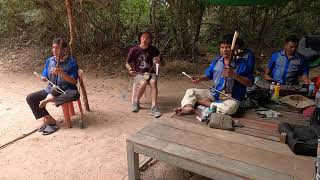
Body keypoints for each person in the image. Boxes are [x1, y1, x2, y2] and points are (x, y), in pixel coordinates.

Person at [174, 34, 253, 116]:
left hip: (231, 97)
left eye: (228, 47)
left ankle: (207, 103)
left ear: (235, 48)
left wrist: (234, 75)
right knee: (191, 91)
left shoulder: (243, 64)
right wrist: (199, 78)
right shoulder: (217, 61)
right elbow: (209, 75)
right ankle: (188, 107)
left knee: (230, 108)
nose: (224, 50)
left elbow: (249, 83)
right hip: (214, 93)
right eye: (222, 47)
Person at [26, 37, 80, 135]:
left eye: (57, 48)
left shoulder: (71, 62)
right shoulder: (50, 61)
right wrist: (43, 77)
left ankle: (50, 99)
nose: (54, 50)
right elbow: (45, 75)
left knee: (75, 94)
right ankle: (50, 121)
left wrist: (61, 73)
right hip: (50, 89)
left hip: (66, 90)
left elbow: (73, 82)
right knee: (30, 98)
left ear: (65, 50)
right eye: (53, 48)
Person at [125, 30, 162, 118]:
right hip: (138, 74)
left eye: (147, 37)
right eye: (143, 37)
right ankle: (136, 102)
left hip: (151, 73)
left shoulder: (154, 49)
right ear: (140, 38)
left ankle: (153, 107)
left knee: (153, 82)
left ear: (150, 40)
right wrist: (130, 69)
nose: (145, 39)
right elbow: (127, 63)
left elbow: (161, 63)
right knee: (144, 82)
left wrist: (158, 61)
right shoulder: (134, 50)